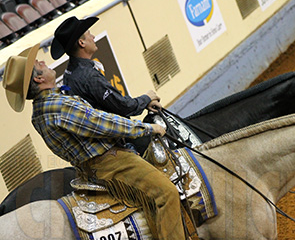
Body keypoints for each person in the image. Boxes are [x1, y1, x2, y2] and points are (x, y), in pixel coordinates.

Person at [2, 44, 185, 240]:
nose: (42, 61)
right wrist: (146, 128)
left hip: (87, 171)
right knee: (167, 194)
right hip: (114, 164)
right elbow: (101, 123)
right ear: (39, 78)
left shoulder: (39, 113)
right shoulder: (57, 105)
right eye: (38, 63)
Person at [50, 16, 161, 155]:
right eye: (89, 34)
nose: (93, 36)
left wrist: (144, 103)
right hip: (115, 140)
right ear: (82, 42)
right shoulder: (88, 76)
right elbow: (123, 107)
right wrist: (147, 98)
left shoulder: (70, 73)